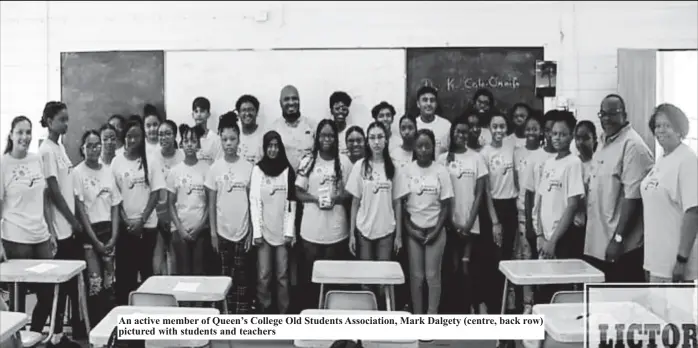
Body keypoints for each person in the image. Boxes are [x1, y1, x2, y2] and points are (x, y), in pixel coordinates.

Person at [1, 116, 66, 345]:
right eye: (20, 132)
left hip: (40, 237)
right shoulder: (3, 164)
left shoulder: (36, 159)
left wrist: (51, 232)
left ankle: (33, 335)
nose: (25, 137)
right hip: (15, 238)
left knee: (48, 294)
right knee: (17, 300)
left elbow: (45, 199)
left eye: (28, 132)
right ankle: (14, 340)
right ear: (11, 134)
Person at [584, 94, 654, 283]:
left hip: (622, 249)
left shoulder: (633, 146)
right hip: (598, 244)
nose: (606, 119)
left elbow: (633, 199)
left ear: (624, 114)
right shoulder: (604, 142)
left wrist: (618, 240)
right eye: (603, 114)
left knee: (624, 307)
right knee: (600, 307)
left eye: (613, 114)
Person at [39, 101, 86, 343]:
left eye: (67, 119)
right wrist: (71, 220)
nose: (66, 123)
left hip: (70, 228)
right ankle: (46, 334)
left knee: (68, 285)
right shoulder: (46, 150)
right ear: (49, 121)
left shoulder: (61, 149)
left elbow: (69, 189)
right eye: (61, 119)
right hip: (60, 228)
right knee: (56, 287)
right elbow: (54, 191)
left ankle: (58, 334)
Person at [295, 119, 352, 309]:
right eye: (323, 135)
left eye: (330, 135)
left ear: (336, 138)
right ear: (317, 138)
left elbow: (351, 192)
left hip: (336, 231)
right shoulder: (308, 161)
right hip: (311, 231)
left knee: (333, 281)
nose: (326, 139)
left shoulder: (343, 161)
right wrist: (314, 199)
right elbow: (297, 192)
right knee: (311, 280)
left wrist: (336, 197)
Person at [399, 129, 453, 315]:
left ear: (433, 147)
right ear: (414, 147)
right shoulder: (407, 170)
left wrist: (436, 231)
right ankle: (418, 316)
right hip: (413, 229)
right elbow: (402, 205)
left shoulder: (441, 171)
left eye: (427, 146)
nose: (423, 150)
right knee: (416, 277)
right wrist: (409, 229)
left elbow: (446, 205)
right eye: (420, 146)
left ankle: (432, 316)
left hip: (435, 229)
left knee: (432, 276)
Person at [641, 104, 697, 282]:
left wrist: (682, 260)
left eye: (667, 125)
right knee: (654, 310)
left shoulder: (687, 160)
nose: (661, 130)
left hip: (675, 264)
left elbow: (693, 212)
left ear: (680, 129)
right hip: (656, 261)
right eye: (657, 126)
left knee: (677, 310)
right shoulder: (662, 159)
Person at [112, 116, 165, 306]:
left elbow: (156, 193)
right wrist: (126, 221)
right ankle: (125, 319)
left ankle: (149, 319)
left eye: (136, 136)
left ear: (142, 137)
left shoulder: (151, 160)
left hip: (147, 227)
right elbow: (115, 197)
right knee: (125, 276)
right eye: (128, 137)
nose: (132, 140)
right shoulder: (116, 162)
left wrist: (141, 221)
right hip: (125, 229)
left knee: (148, 274)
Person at [534, 111, 586, 303]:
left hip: (562, 238)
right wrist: (540, 234)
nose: (557, 138)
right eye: (554, 133)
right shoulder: (548, 163)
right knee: (544, 288)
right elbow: (541, 200)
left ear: (571, 136)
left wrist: (553, 240)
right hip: (545, 238)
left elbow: (572, 205)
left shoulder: (573, 163)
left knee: (559, 292)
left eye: (562, 134)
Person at [438, 117, 488, 314]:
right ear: (452, 134)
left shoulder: (476, 158)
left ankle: (471, 308)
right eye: (458, 132)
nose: (461, 135)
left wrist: (468, 224)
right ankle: (453, 310)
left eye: (465, 132)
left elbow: (479, 194)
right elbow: (441, 193)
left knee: (467, 267)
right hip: (448, 222)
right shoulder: (443, 159)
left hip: (470, 223)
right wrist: (450, 221)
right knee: (452, 267)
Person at [206, 113, 254, 313]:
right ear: (220, 140)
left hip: (242, 232)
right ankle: (225, 316)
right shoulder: (215, 168)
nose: (228, 143)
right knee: (224, 278)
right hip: (222, 232)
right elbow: (211, 203)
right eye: (224, 139)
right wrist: (213, 233)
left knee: (242, 278)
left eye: (232, 139)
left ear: (239, 140)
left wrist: (251, 231)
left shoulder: (249, 167)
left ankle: (241, 316)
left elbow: (253, 202)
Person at [73, 130, 121, 324]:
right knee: (96, 285)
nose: (94, 149)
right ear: (83, 148)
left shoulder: (108, 170)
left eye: (97, 145)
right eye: (90, 145)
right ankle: (94, 329)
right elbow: (81, 210)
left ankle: (110, 330)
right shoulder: (77, 172)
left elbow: (116, 204)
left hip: (109, 232)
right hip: (90, 234)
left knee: (111, 284)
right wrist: (94, 240)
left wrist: (115, 236)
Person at [250, 131, 297, 314]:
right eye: (269, 145)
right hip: (264, 233)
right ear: (264, 147)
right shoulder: (258, 170)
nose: (273, 149)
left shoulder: (287, 170)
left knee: (282, 276)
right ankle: (265, 311)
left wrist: (289, 232)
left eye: (276, 146)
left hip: (282, 233)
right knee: (263, 276)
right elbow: (254, 201)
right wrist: (257, 233)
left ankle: (284, 313)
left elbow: (292, 203)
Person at [347, 122, 402, 263]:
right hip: (363, 230)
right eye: (372, 138)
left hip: (386, 231)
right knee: (366, 279)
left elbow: (397, 203)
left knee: (383, 278)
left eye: (380, 137)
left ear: (386, 139)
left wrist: (398, 236)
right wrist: (351, 234)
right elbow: (355, 203)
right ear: (367, 141)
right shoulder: (360, 166)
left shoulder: (394, 167)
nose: (376, 142)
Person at [513, 113, 546, 313]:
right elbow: (520, 185)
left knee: (541, 258)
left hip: (542, 214)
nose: (532, 132)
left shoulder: (544, 154)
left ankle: (542, 301)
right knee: (524, 256)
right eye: (529, 129)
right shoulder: (517, 152)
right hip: (522, 212)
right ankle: (527, 302)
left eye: (536, 128)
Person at [168, 124, 210, 277]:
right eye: (186, 141)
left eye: (193, 141)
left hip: (201, 231)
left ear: (198, 144)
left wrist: (200, 226)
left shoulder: (206, 169)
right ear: (181, 144)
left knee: (199, 273)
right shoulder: (175, 171)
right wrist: (180, 229)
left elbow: (209, 204)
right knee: (183, 274)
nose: (190, 144)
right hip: (180, 231)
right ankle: (185, 303)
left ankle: (199, 302)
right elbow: (170, 204)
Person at [151, 120, 184, 275]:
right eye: (161, 134)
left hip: (178, 214)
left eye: (168, 133)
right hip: (157, 214)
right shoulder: (152, 158)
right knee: (158, 264)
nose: (164, 138)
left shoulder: (183, 155)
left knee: (175, 261)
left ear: (175, 135)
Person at [269, 85, 316, 172]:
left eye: (294, 98)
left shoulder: (312, 126)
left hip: (308, 182)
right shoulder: (273, 129)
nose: (291, 103)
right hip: (282, 182)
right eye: (286, 99)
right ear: (280, 103)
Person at [415, 86, 451, 156]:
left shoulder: (446, 126)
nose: (429, 104)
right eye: (425, 100)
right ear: (418, 104)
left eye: (432, 100)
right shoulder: (413, 125)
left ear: (436, 104)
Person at [191, 97, 222, 165]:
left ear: (208, 114)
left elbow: (218, 163)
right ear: (192, 115)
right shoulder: (187, 137)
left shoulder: (215, 139)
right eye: (196, 111)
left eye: (202, 111)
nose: (199, 114)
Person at [237, 94, 265, 165]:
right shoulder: (233, 136)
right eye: (243, 110)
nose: (247, 113)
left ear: (257, 112)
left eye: (251, 110)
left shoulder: (264, 136)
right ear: (239, 114)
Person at [329, 91, 353, 156]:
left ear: (348, 111)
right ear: (331, 111)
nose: (341, 112)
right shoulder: (327, 132)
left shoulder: (352, 132)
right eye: (337, 109)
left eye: (344, 109)